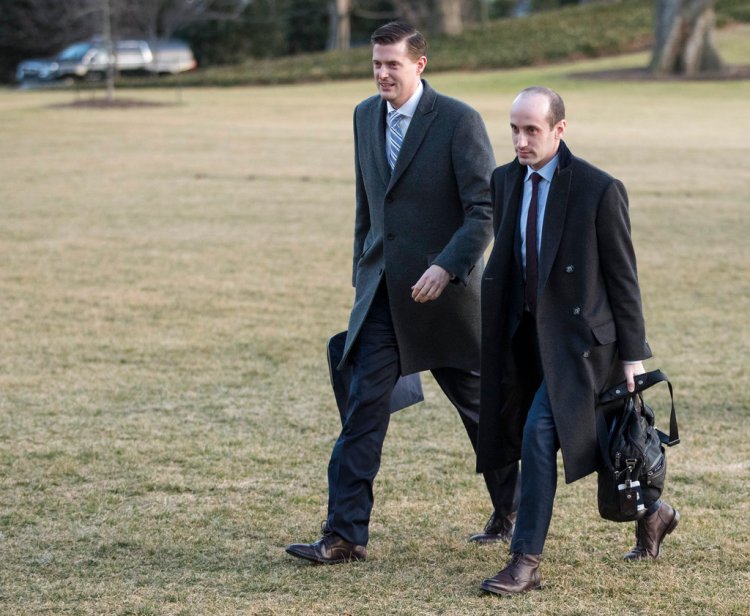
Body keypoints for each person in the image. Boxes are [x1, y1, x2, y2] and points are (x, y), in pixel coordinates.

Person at [285, 21, 519, 565]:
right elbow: (368, 206)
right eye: (376, 63)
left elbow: (485, 210)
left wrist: (447, 267)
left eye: (393, 63)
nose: (382, 73)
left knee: (483, 415)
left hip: (448, 302)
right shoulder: (365, 115)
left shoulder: (458, 121)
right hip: (384, 300)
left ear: (420, 64)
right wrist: (360, 278)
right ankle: (344, 535)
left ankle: (513, 512)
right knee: (362, 413)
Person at [476, 87, 679, 595]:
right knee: (579, 440)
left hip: (583, 347)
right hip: (525, 342)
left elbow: (622, 277)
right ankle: (656, 513)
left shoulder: (597, 188)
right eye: (514, 130)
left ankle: (525, 561)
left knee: (541, 436)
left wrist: (632, 355)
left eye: (532, 131)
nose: (521, 141)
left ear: (559, 129)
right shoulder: (504, 181)